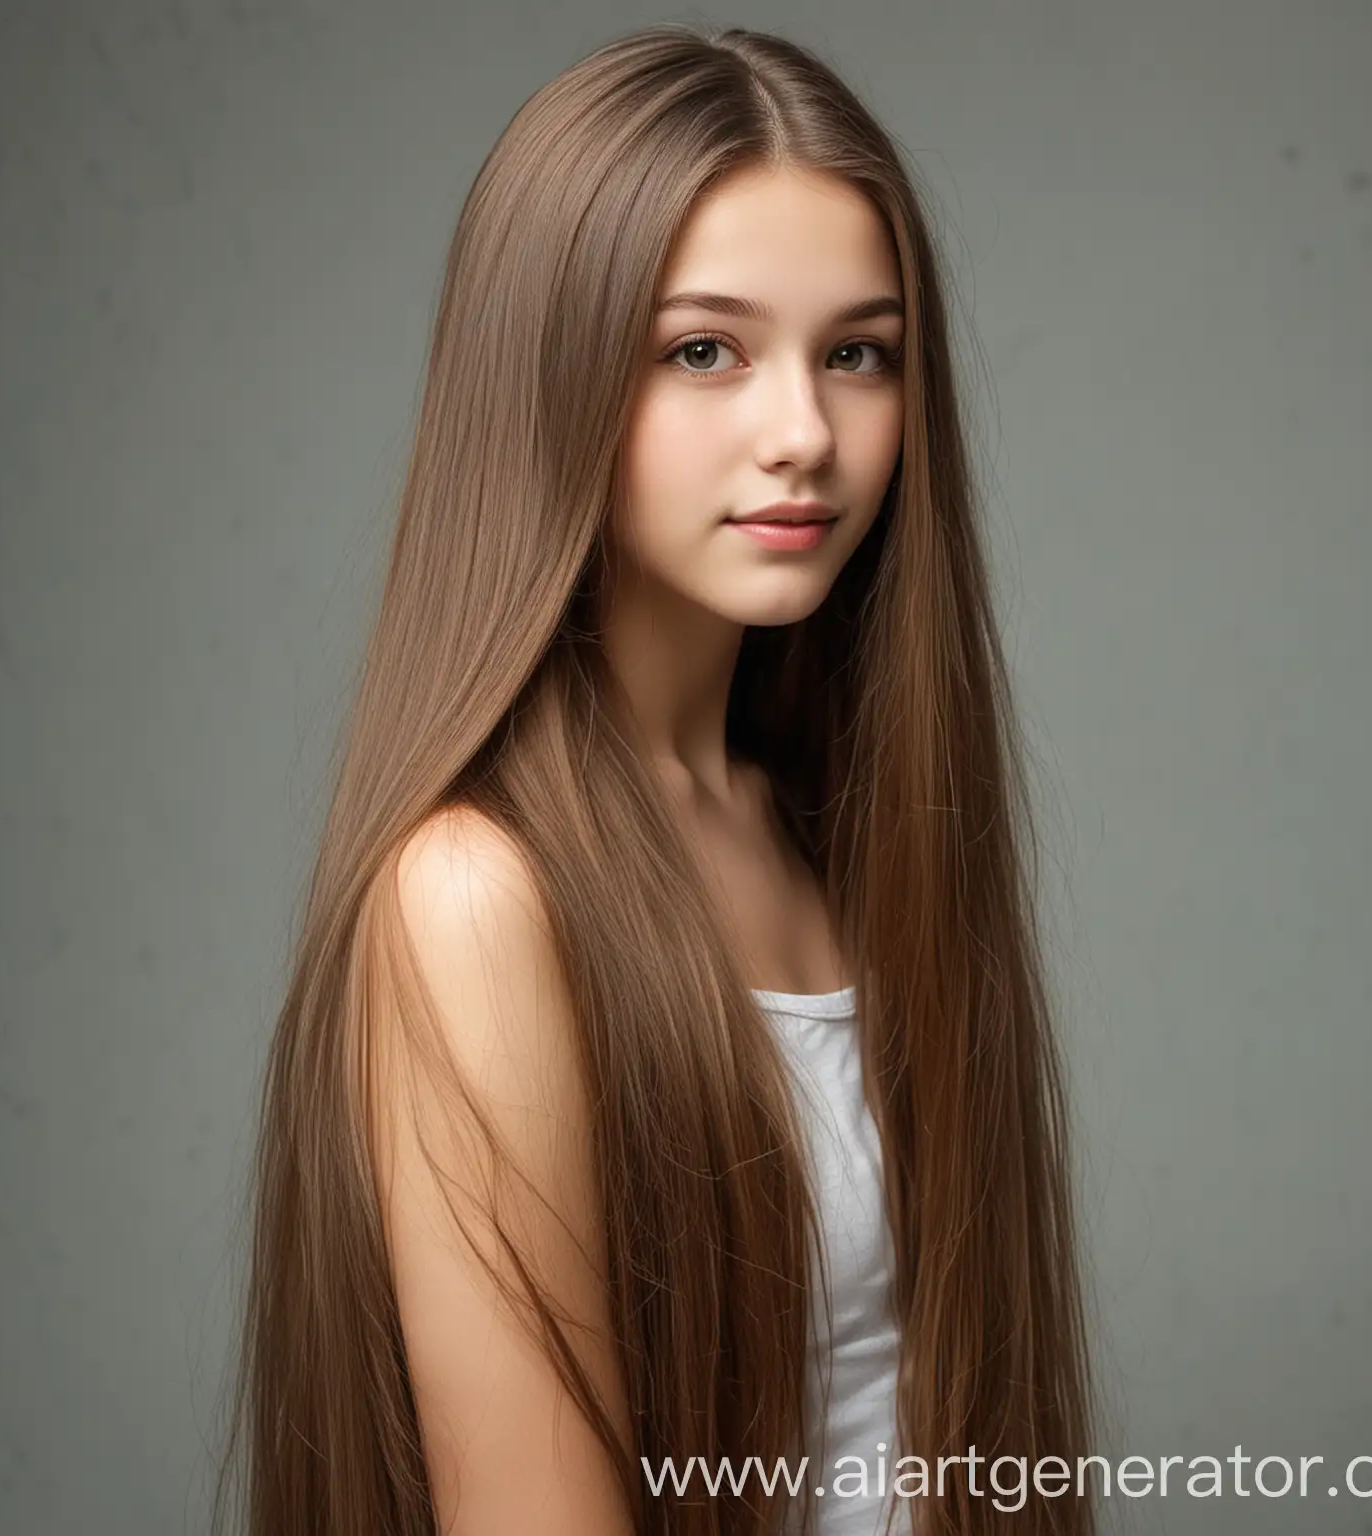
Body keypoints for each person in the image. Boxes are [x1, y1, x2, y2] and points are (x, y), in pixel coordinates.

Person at [213, 23, 1098, 1536]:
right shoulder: (478, 899)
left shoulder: (843, 835)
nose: (805, 434)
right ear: (546, 378)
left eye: (858, 354)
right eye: (705, 351)